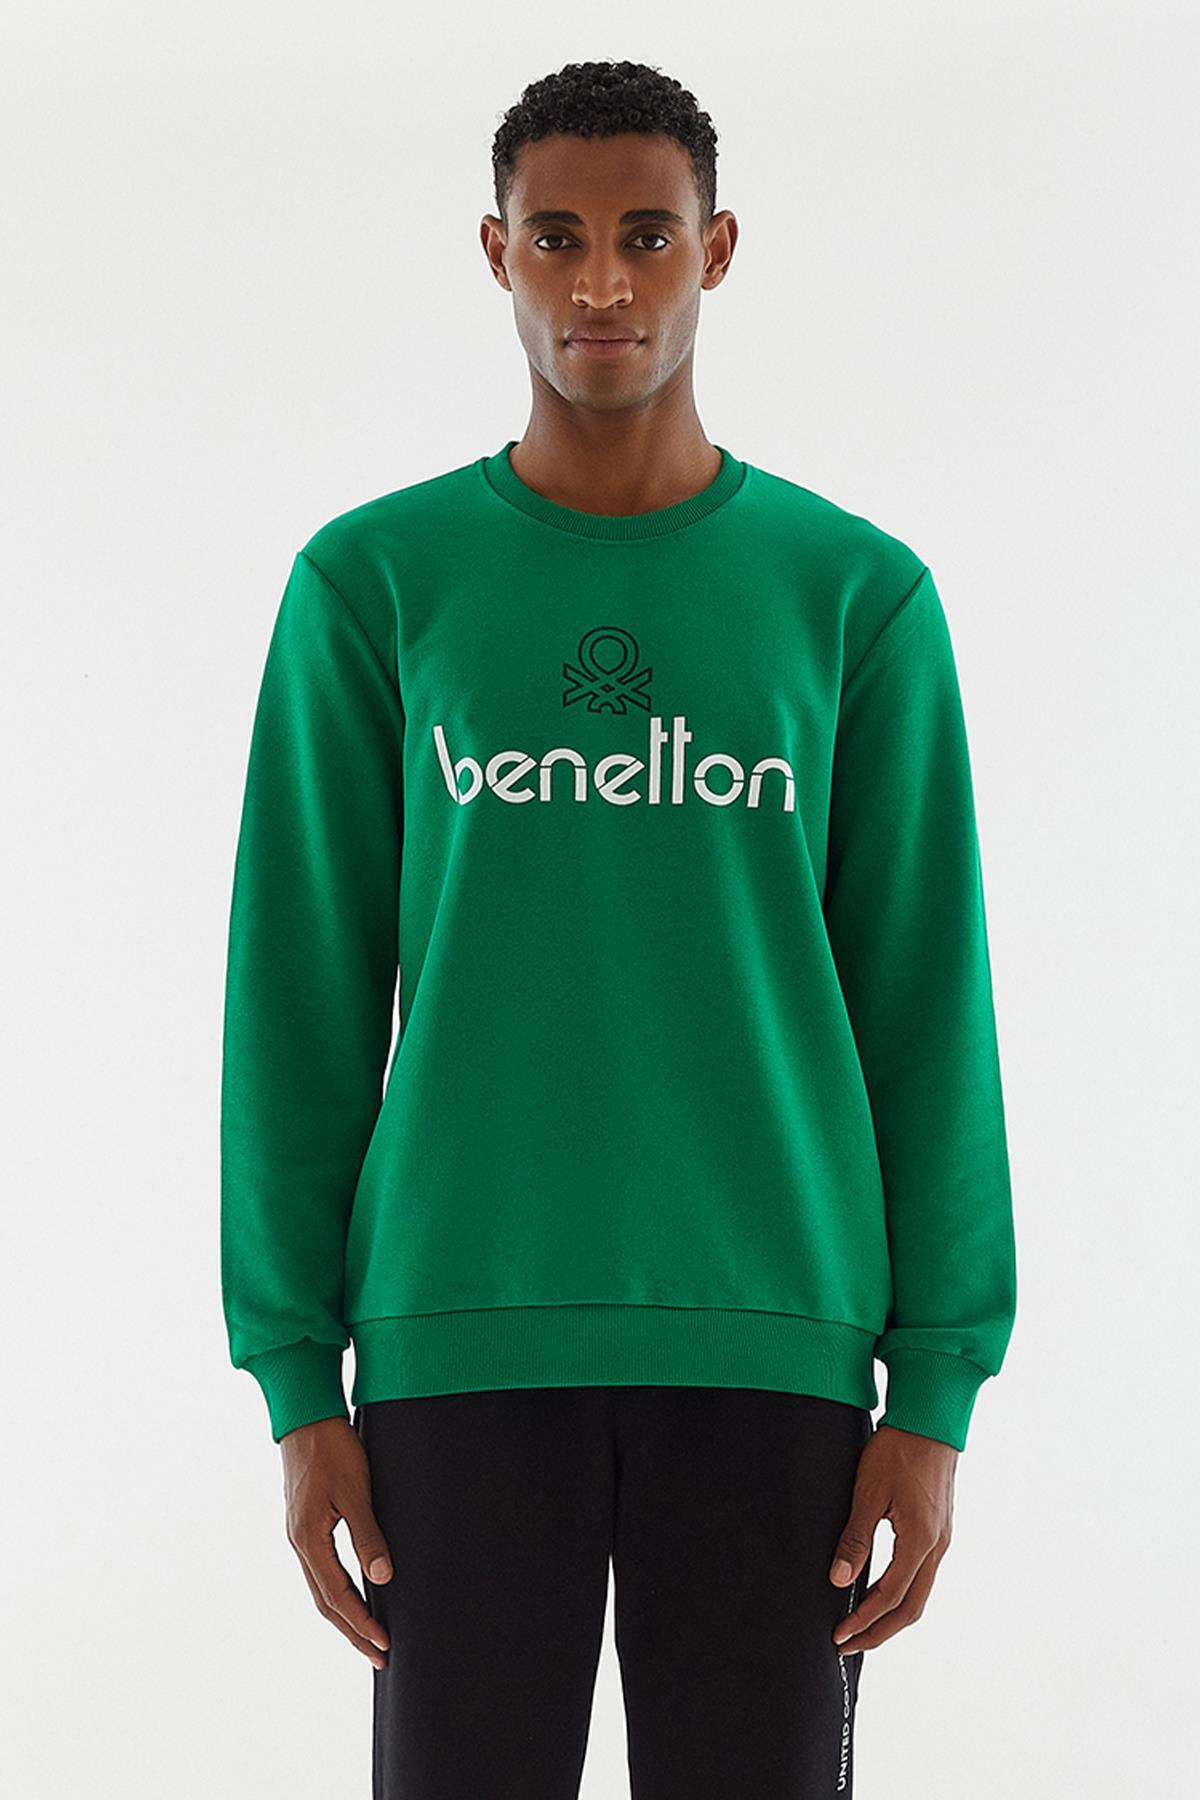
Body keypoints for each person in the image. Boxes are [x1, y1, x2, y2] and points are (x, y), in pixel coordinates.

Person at [220, 58, 1018, 1799]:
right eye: (557, 237)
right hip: (454, 1340)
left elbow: (926, 1006)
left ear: (715, 251)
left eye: (647, 235)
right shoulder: (374, 587)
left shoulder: (853, 598)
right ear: (493, 250)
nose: (601, 282)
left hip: (776, 1343)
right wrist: (298, 1385)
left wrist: (936, 1392)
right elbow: (297, 1003)